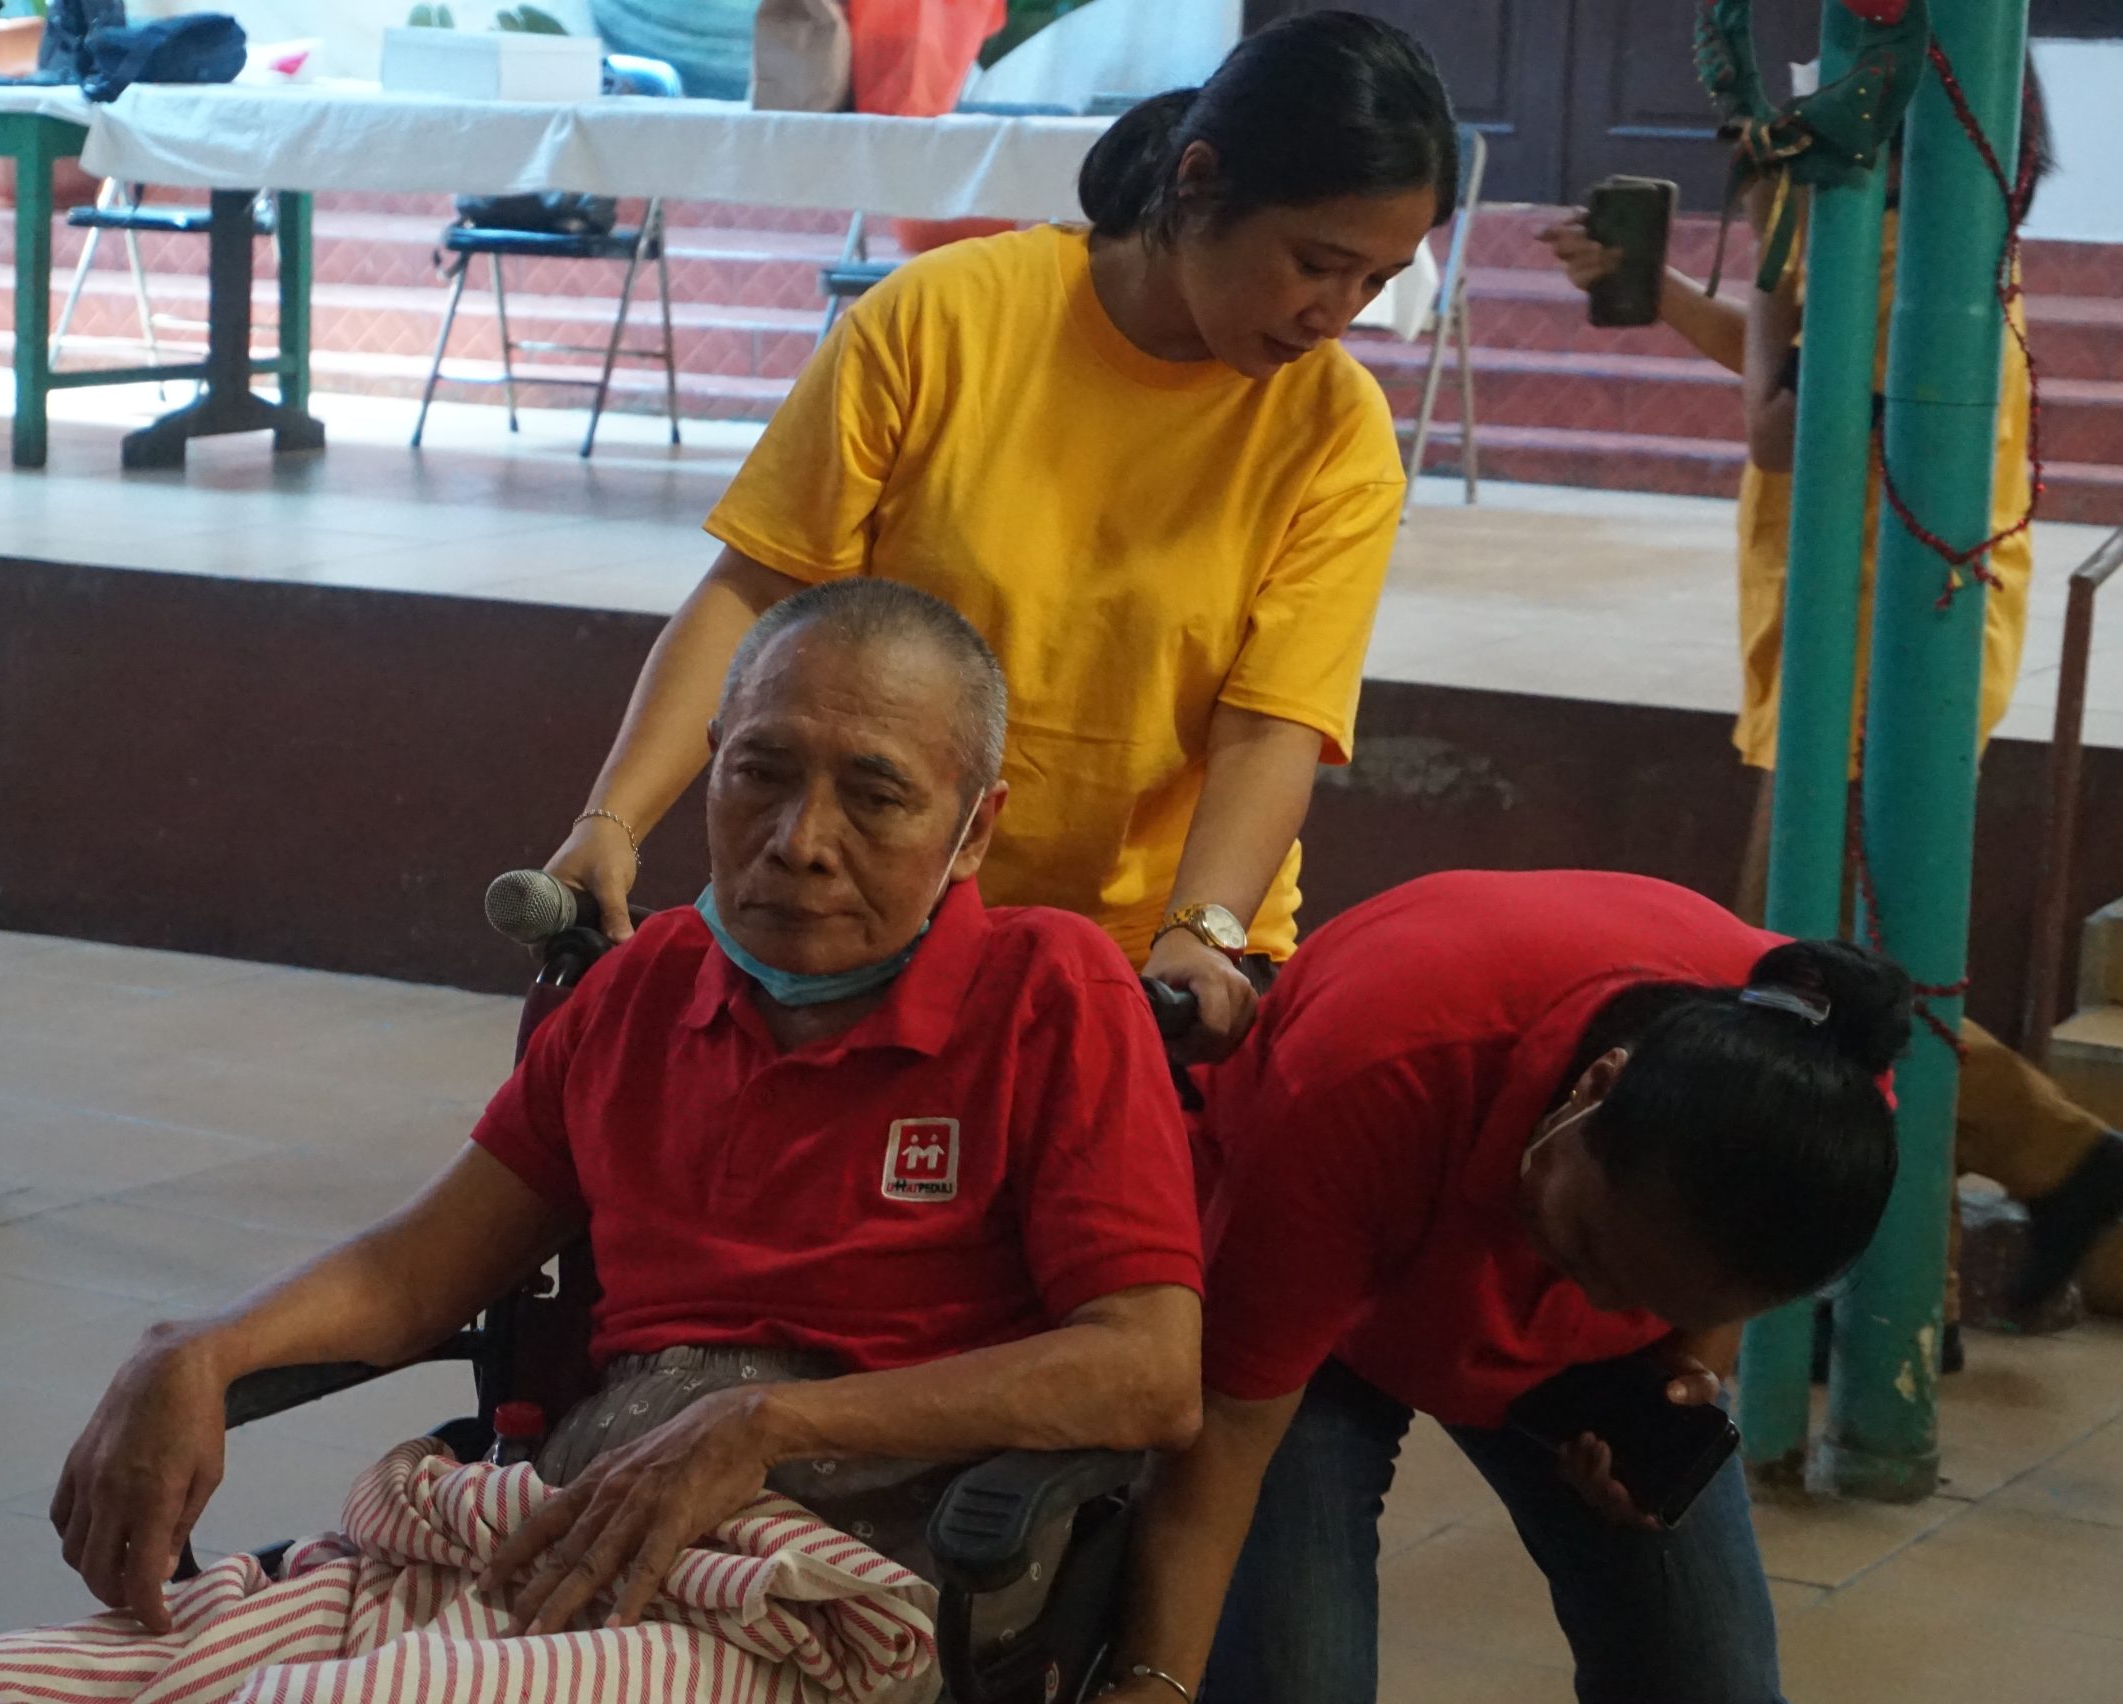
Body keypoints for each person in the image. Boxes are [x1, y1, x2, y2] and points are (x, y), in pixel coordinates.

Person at [0, 581, 1202, 1703]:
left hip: (829, 1593)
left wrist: (762, 1423)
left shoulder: (1048, 993)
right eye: (761, 774)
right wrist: (199, 1349)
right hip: (564, 1530)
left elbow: (1147, 1371)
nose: (800, 842)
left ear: (974, 828)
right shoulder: (645, 989)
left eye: (876, 797)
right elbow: (418, 1270)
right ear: (712, 763)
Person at [545, 12, 1459, 1061]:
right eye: (1315, 264)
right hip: (871, 912)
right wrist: (610, 822)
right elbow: (757, 587)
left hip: (1145, 962)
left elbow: (1273, 724)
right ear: (1199, 181)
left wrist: (1200, 936)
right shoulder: (943, 319)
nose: (1336, 313)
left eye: (1375, 282)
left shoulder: (1333, 430)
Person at [1537, 73, 2123, 1323]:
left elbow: (1778, 426)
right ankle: (2002, 1210)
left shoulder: (1893, 252)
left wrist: (1768, 273)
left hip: (1874, 663)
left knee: (1800, 976)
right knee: (1821, 967)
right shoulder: (1905, 235)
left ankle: (2059, 1167)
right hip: (1860, 638)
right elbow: (1803, 381)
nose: (1760, 142)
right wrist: (1677, 290)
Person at [1109, 869, 1909, 1704]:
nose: (1599, 1308)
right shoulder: (1375, 1073)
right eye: (1588, 1248)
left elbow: (1709, 1287)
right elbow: (1229, 1437)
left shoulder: (1825, 1085)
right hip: (1321, 1300)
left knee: (1713, 1682)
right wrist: (1155, 1682)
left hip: (1485, 1211)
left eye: (1651, 1301)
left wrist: (1681, 1369)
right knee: (1297, 1678)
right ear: (1596, 1087)